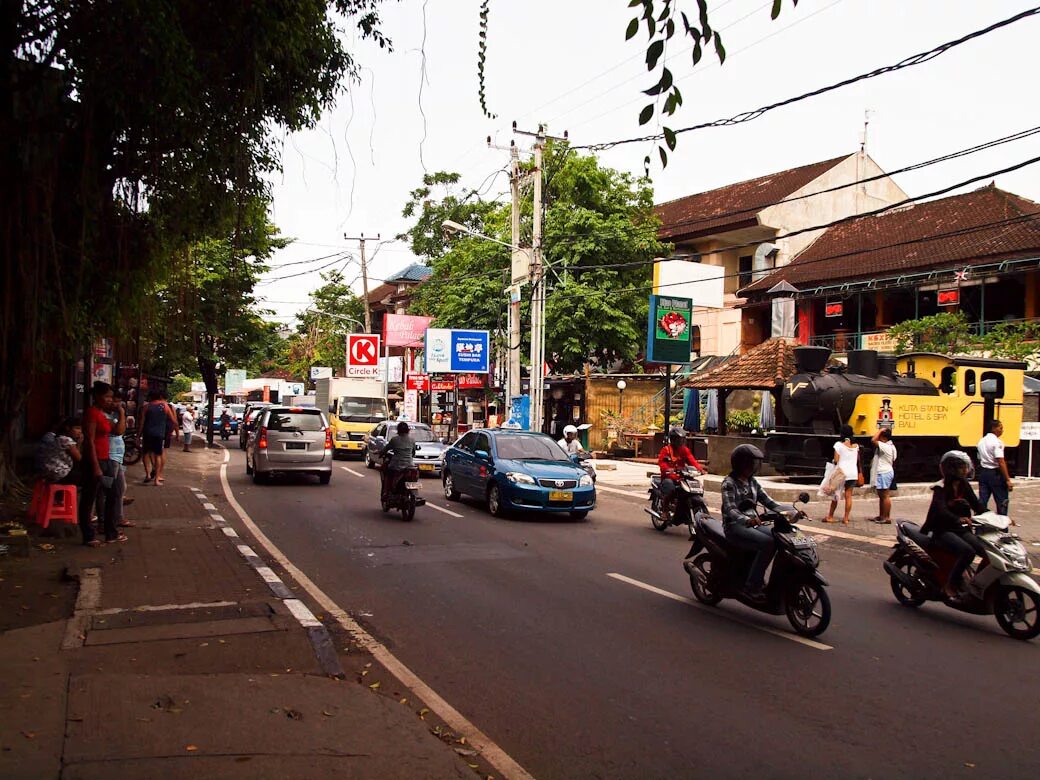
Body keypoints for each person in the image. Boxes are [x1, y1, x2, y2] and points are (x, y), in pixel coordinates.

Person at [721, 444, 783, 600]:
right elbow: (731, 509)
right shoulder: (729, 483)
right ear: (740, 463)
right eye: (749, 463)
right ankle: (752, 585)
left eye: (754, 463)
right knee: (767, 544)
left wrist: (789, 511)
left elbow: (770, 502)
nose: (752, 467)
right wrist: (746, 520)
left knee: (778, 537)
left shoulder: (753, 482)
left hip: (753, 523)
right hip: (734, 526)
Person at [922, 450, 986, 599]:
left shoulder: (964, 485)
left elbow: (977, 506)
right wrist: (959, 519)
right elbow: (941, 511)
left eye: (965, 467)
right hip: (942, 531)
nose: (965, 470)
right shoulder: (940, 488)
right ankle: (950, 584)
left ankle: (976, 584)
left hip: (960, 530)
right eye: (961, 467)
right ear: (952, 468)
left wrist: (999, 518)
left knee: (984, 549)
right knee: (967, 551)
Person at [79, 382, 126, 546]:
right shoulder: (92, 414)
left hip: (106, 459)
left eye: (111, 397)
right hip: (95, 460)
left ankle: (110, 533)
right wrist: (96, 466)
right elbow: (89, 442)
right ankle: (88, 535)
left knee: (113, 495)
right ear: (98, 396)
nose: (109, 400)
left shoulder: (102, 414)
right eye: (107, 397)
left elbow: (119, 430)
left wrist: (120, 411)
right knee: (89, 498)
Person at [96, 398, 132, 529]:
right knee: (107, 491)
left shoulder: (113, 415)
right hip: (109, 456)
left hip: (117, 457)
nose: (116, 404)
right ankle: (104, 522)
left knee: (119, 489)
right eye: (112, 401)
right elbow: (119, 430)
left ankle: (117, 518)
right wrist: (122, 412)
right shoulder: (103, 416)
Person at [657, 427, 705, 521]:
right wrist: (667, 469)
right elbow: (661, 463)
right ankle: (665, 510)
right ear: (673, 440)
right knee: (670, 488)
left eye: (682, 439)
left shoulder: (685, 450)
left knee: (696, 487)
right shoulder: (666, 450)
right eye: (679, 440)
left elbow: (692, 461)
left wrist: (700, 469)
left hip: (682, 476)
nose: (681, 442)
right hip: (669, 476)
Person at [824, 425, 862, 525]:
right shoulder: (856, 446)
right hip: (853, 473)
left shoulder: (838, 445)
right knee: (848, 496)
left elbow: (836, 460)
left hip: (841, 473)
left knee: (835, 496)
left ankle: (830, 516)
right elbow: (857, 459)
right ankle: (846, 518)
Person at [139, 389, 176, 485]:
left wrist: (138, 435)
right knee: (158, 455)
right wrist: (170, 430)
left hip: (147, 433)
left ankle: (147, 474)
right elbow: (173, 420)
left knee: (146, 454)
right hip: (159, 434)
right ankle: (156, 479)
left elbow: (141, 423)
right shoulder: (164, 406)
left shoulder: (146, 407)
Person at [977, 419, 1013, 518]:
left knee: (982, 501)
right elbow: (1000, 461)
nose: (1002, 430)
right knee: (1002, 502)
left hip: (983, 473)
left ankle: (979, 526)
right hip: (995, 474)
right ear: (993, 428)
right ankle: (1002, 528)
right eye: (1000, 428)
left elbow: (979, 457)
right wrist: (1007, 480)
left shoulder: (981, 441)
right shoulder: (997, 442)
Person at [36, 418, 83, 484]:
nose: (80, 431)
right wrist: (79, 442)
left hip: (49, 472)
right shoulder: (66, 440)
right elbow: (79, 458)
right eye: (77, 428)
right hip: (59, 474)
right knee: (90, 476)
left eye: (81, 429)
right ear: (68, 428)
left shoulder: (59, 438)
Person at [380, 421, 416, 499]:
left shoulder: (394, 440)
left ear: (398, 430)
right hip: (410, 465)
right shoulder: (412, 440)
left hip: (396, 465)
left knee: (388, 474)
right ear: (408, 430)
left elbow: (385, 450)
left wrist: (380, 454)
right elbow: (413, 452)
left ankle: (386, 492)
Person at [871, 427, 898, 524]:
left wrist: (880, 430)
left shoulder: (885, 446)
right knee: (882, 496)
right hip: (887, 471)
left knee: (885, 495)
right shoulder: (892, 447)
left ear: (883, 437)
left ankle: (886, 517)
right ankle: (881, 515)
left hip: (884, 472)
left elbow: (873, 440)